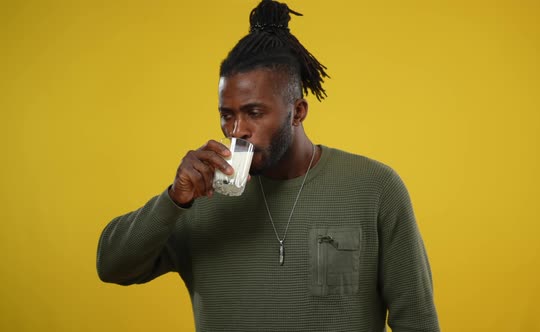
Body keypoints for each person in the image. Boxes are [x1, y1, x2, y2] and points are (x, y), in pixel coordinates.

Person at [96, 0, 440, 331]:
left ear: (298, 112)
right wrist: (174, 200)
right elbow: (112, 266)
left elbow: (417, 321)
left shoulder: (373, 188)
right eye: (226, 115)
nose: (237, 130)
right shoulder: (199, 197)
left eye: (254, 113)